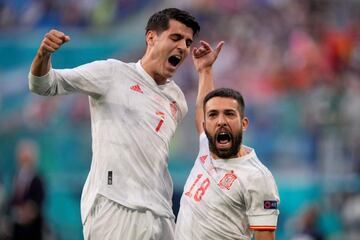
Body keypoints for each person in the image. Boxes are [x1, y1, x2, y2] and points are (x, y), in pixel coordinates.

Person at [28, 8, 200, 240]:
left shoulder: (177, 99)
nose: (183, 47)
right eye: (176, 37)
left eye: (188, 42)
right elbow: (44, 85)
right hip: (115, 205)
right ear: (151, 37)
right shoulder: (112, 73)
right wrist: (43, 54)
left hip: (161, 212)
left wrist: (206, 71)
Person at [174, 41, 280, 239]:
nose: (221, 121)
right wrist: (205, 71)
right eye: (214, 115)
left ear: (244, 123)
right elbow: (203, 110)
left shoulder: (257, 177)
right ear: (206, 125)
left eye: (230, 114)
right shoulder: (207, 149)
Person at [8, 139, 45, 240]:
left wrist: (30, 210)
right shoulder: (15, 177)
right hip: (17, 227)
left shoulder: (38, 179)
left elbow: (40, 200)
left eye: (27, 159)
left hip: (33, 228)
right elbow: (12, 198)